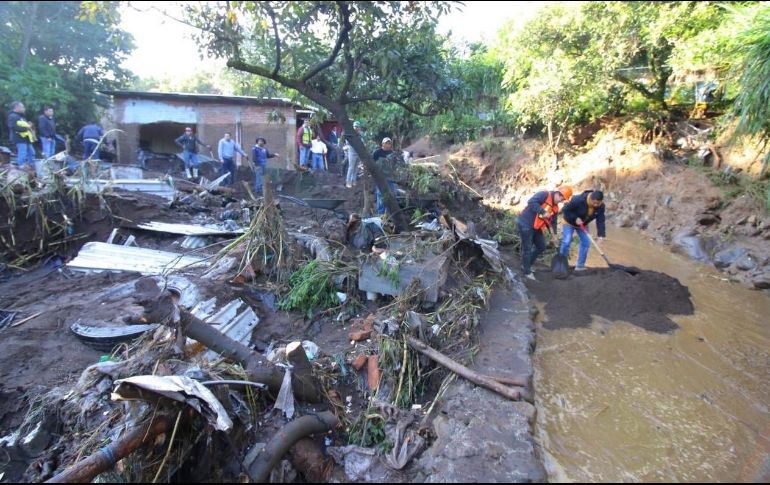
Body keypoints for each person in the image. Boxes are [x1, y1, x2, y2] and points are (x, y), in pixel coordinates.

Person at [517, 186, 573, 281]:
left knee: (541, 246)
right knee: (527, 248)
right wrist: (542, 211)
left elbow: (553, 222)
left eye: (563, 200)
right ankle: (527, 272)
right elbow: (531, 202)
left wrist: (554, 235)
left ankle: (527, 265)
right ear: (558, 194)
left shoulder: (555, 208)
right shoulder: (544, 195)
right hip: (525, 223)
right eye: (561, 198)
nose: (561, 201)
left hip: (536, 227)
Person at [559, 189, 606, 271]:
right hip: (568, 222)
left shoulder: (601, 206)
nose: (595, 205)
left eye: (598, 203)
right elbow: (565, 210)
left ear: (601, 201)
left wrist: (601, 236)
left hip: (583, 224)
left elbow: (600, 221)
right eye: (594, 203)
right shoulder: (578, 200)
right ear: (590, 198)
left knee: (586, 242)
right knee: (567, 241)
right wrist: (575, 218)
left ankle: (580, 266)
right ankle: (561, 264)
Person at [372, 137, 397, 216]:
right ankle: (381, 214)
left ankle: (390, 213)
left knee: (393, 194)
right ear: (382, 144)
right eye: (386, 143)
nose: (388, 145)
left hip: (390, 177)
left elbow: (395, 165)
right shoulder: (377, 152)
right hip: (380, 177)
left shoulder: (392, 153)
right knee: (381, 195)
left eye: (389, 143)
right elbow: (372, 163)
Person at [7, 101, 36, 166]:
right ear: (16, 107)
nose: (24, 108)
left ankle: (31, 166)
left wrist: (29, 126)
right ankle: (21, 167)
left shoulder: (21, 116)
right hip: (19, 138)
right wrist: (26, 128)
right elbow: (13, 126)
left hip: (26, 138)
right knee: (23, 153)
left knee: (32, 152)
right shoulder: (12, 116)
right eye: (22, 107)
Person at [343, 121, 364, 188]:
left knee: (356, 168)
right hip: (352, 152)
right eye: (355, 127)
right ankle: (348, 182)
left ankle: (353, 180)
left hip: (358, 152)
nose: (356, 128)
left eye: (357, 127)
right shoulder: (350, 134)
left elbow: (363, 142)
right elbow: (348, 143)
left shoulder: (361, 134)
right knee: (351, 167)